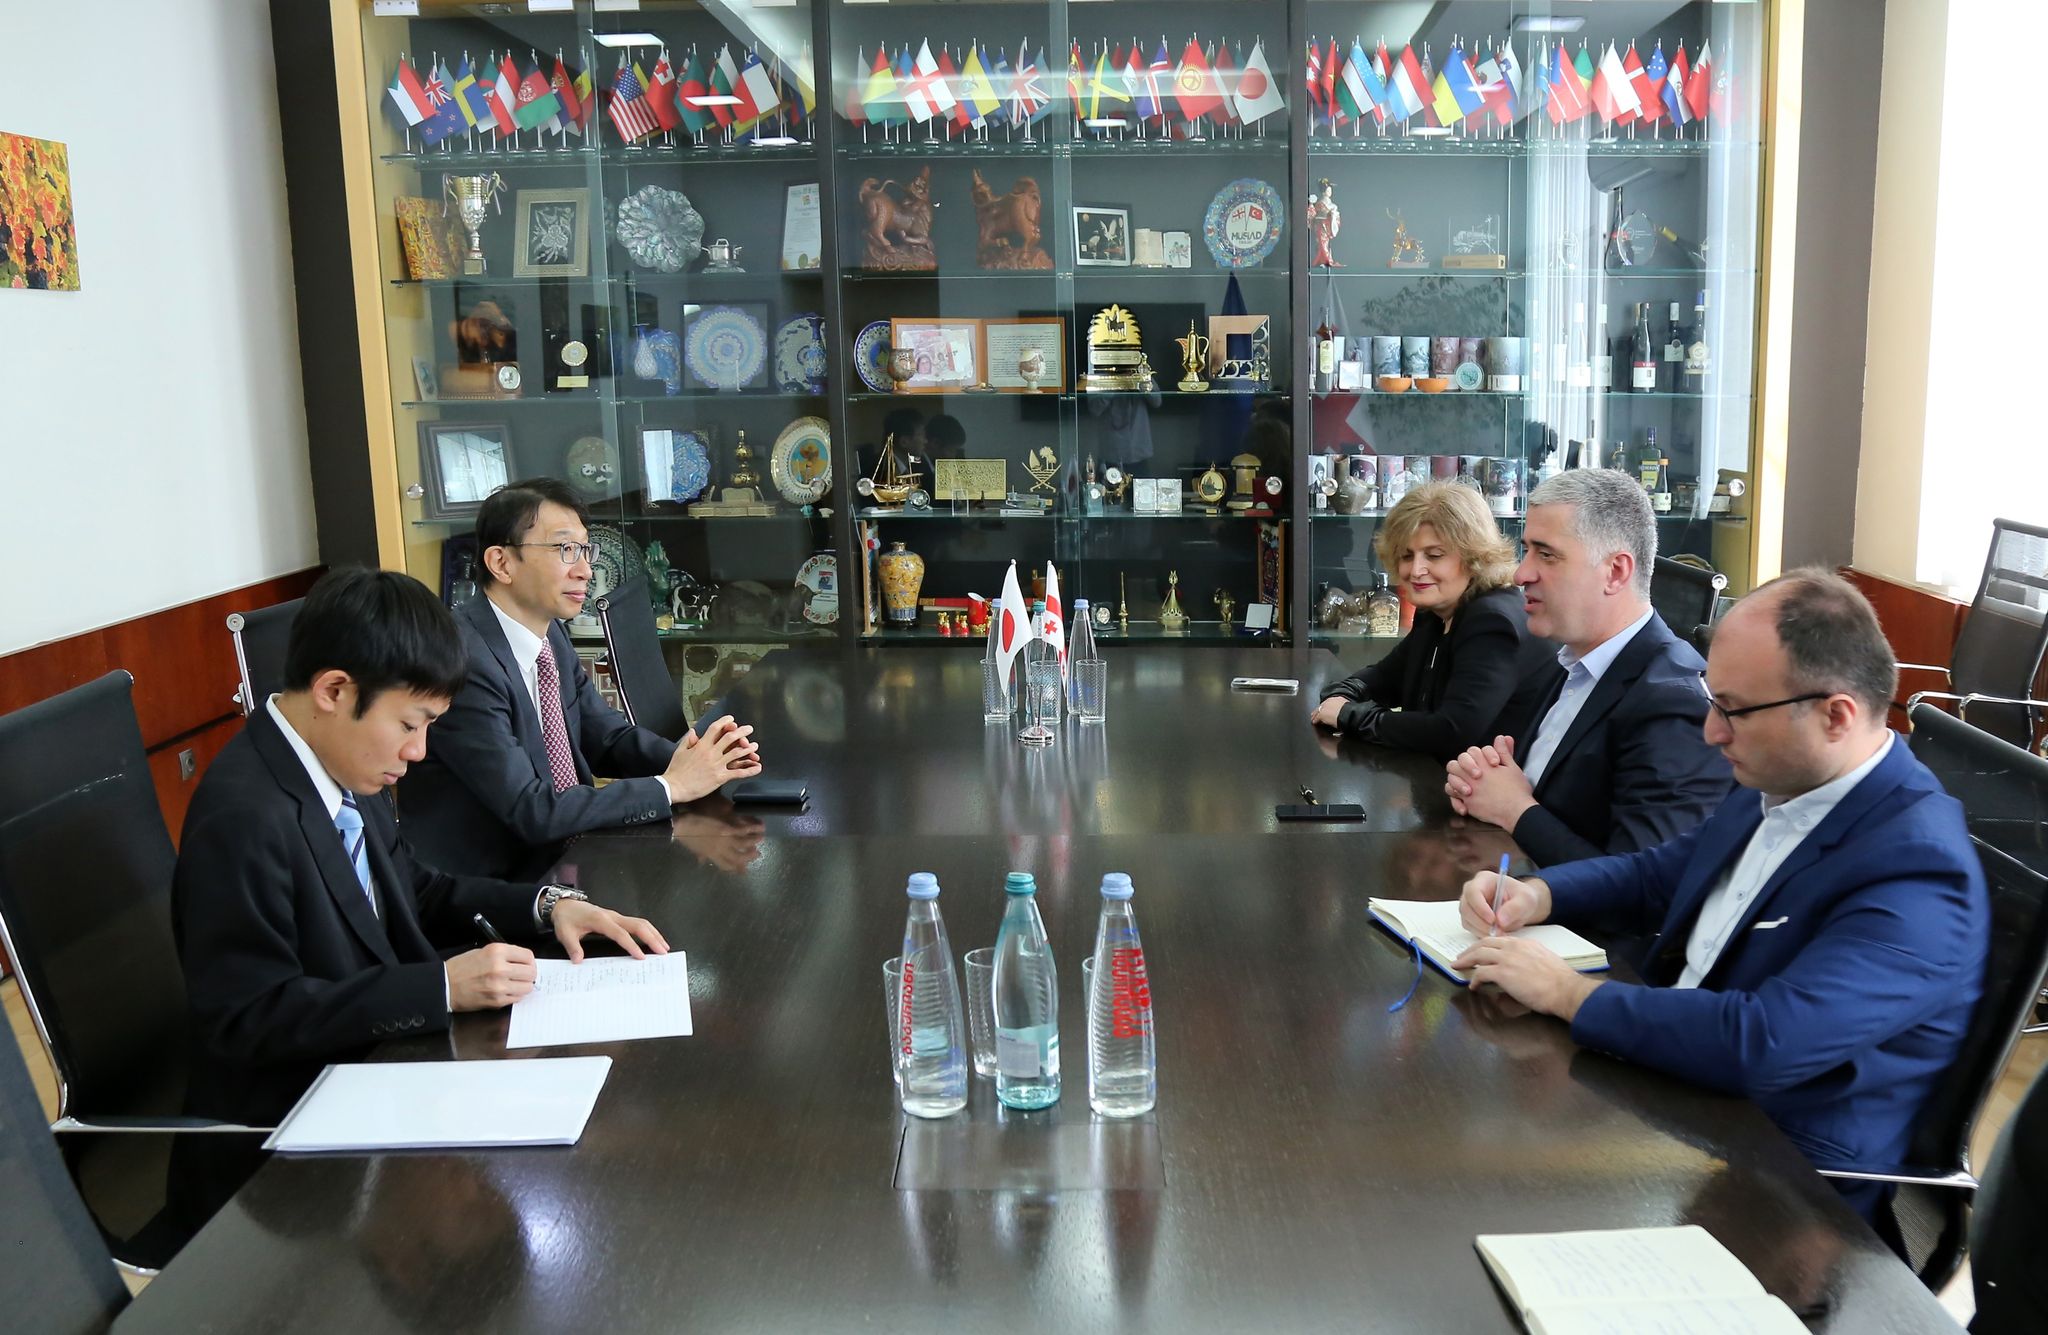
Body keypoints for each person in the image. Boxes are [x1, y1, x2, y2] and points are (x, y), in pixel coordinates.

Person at [1449, 570, 1988, 1220]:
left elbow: (1762, 1042)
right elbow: (1657, 874)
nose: (1711, 731)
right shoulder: (1784, 778)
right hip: (1670, 1088)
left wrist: (1567, 992)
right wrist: (1536, 894)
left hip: (1778, 1186)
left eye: (1733, 710)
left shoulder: (1919, 870)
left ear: (1835, 716)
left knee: (1481, 1187)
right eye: (1713, 700)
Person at [171, 568, 667, 1208]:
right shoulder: (244, 817)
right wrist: (439, 988)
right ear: (334, 690)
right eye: (411, 724)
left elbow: (415, 888)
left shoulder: (335, 760)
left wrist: (547, 906)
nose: (419, 751)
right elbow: (250, 1019)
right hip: (289, 1164)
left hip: (379, 1077)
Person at [401, 479, 762, 878]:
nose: (585, 571)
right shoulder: (463, 662)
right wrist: (671, 786)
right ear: (501, 563)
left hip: (570, 857)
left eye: (585, 550)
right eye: (564, 550)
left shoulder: (550, 633)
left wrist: (695, 759)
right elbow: (532, 810)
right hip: (500, 885)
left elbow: (606, 739)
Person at [1444, 469, 1731, 865]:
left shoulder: (1674, 704)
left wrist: (1513, 809)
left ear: (1616, 572)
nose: (1521, 574)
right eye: (1527, 551)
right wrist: (1484, 784)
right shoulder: (1570, 662)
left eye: (1546, 555)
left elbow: (1643, 886)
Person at [1311, 482, 1556, 760]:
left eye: (1434, 555)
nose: (1416, 570)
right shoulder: (1436, 613)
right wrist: (1342, 694)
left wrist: (1348, 715)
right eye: (1406, 555)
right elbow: (1385, 678)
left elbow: (1451, 731)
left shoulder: (1492, 622)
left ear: (1474, 556)